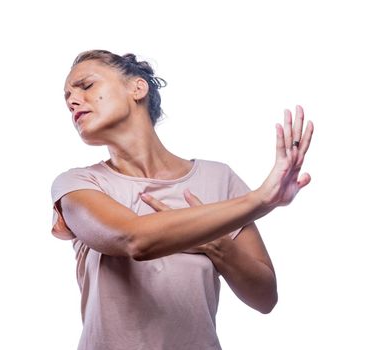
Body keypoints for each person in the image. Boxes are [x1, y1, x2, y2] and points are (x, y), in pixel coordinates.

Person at [51, 49, 314, 350]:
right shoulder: (78, 185)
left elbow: (265, 297)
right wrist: (260, 200)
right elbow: (133, 239)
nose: (72, 101)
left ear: (137, 88)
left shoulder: (219, 179)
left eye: (86, 86)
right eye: (67, 96)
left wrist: (215, 244)